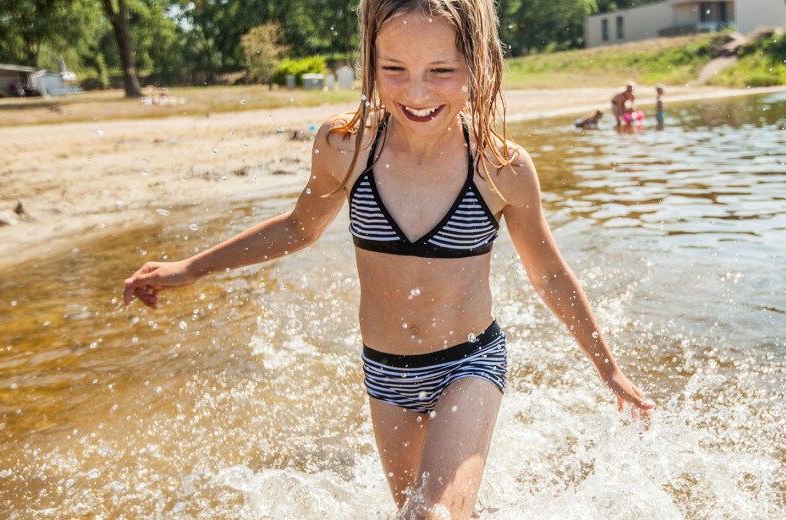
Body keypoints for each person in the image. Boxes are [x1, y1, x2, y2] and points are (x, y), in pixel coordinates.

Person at [121, 1, 654, 518]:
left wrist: (610, 373)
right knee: (413, 513)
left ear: (478, 64)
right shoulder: (347, 147)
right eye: (393, 69)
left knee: (433, 515)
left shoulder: (500, 166)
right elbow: (298, 227)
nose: (416, 92)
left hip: (469, 364)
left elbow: (549, 273)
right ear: (369, 63)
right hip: (386, 374)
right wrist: (190, 268)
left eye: (441, 70)